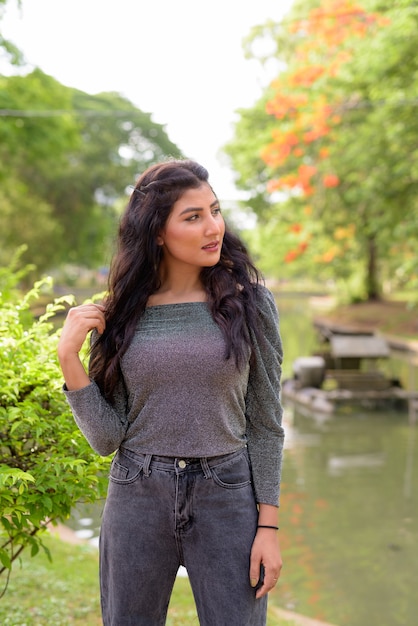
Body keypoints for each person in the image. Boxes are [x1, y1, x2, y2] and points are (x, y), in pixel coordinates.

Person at [58, 158, 284, 626]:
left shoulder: (250, 304)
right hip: (137, 494)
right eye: (193, 216)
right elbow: (106, 439)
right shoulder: (121, 314)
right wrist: (69, 362)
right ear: (158, 233)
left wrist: (269, 526)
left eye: (215, 211)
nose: (212, 227)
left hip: (227, 495)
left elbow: (265, 422)